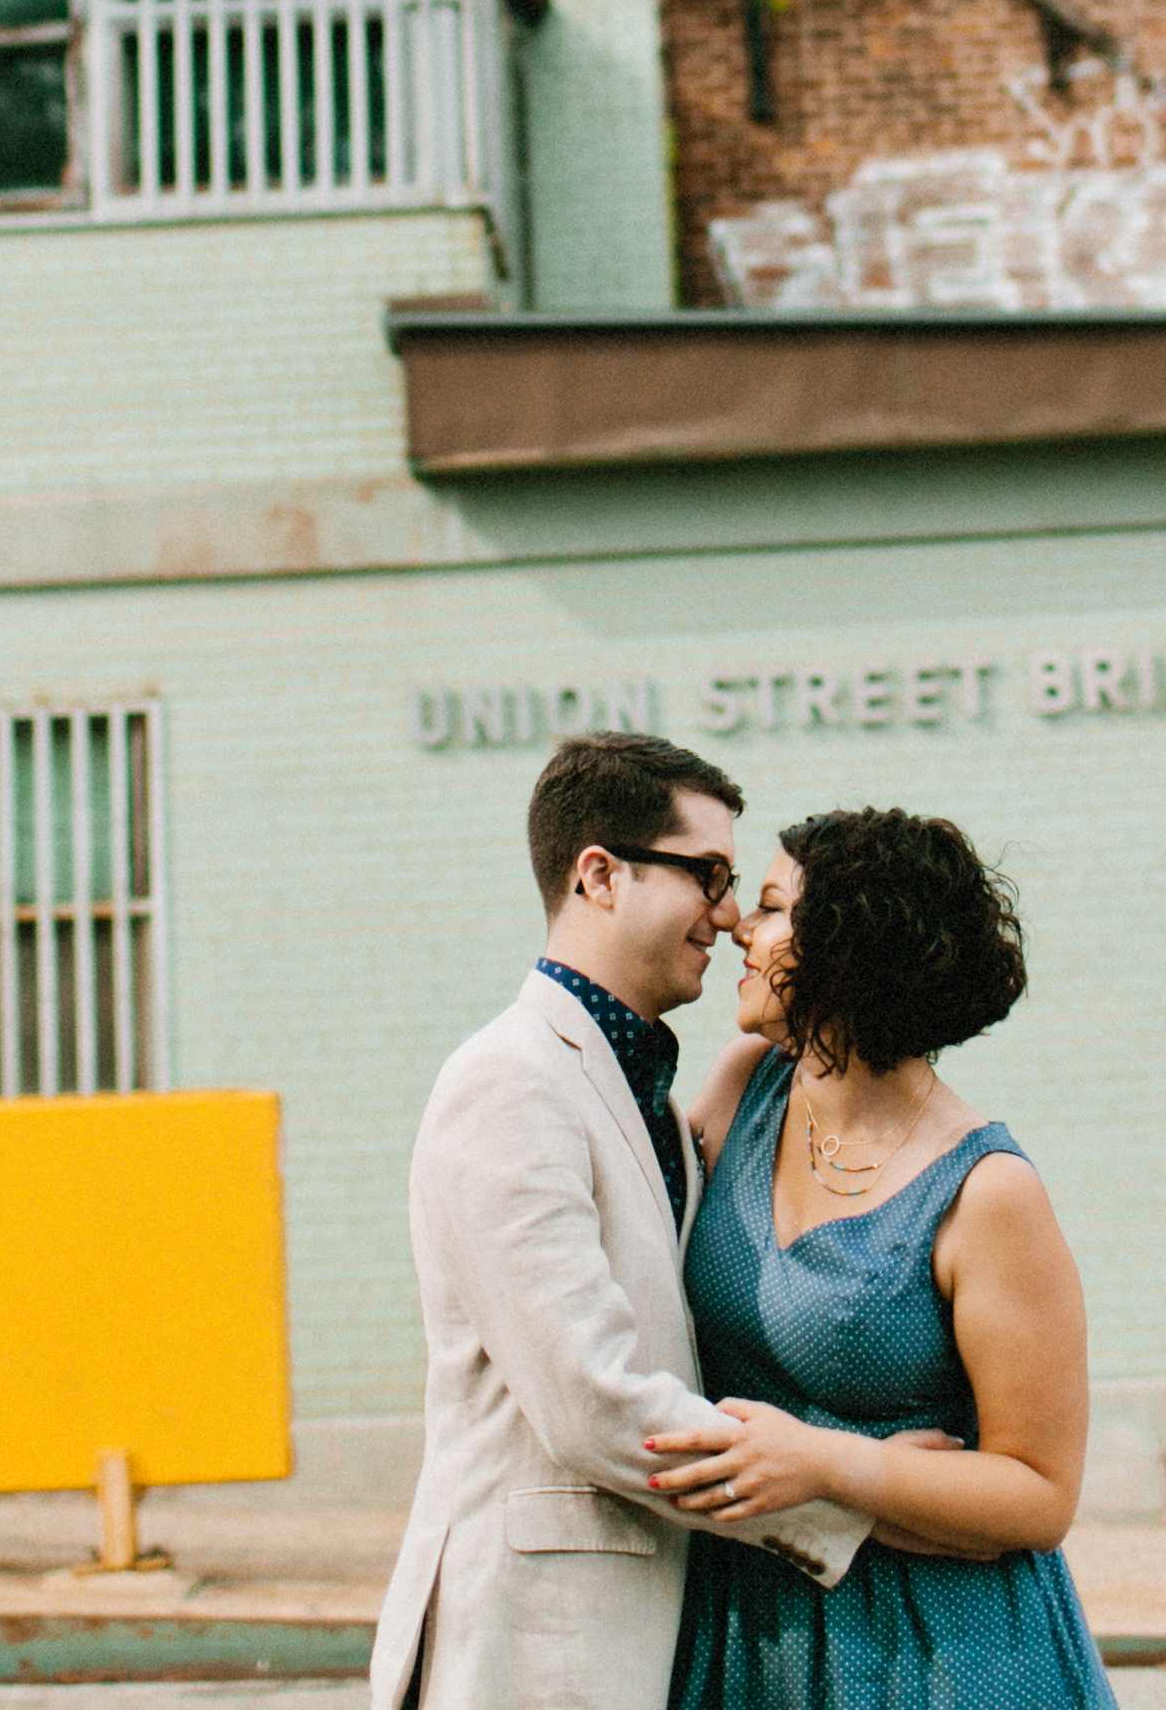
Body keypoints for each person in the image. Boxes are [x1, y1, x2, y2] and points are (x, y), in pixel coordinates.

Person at [368, 732, 871, 1710]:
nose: (729, 918)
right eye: (708, 876)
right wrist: (851, 1498)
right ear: (599, 874)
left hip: (638, 1637)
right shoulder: (508, 1081)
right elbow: (593, 1401)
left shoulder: (648, 1096)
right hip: (534, 1653)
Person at [646, 805, 1117, 1709]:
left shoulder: (986, 1193)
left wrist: (830, 1468)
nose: (743, 923)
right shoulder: (747, 1086)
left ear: (851, 952)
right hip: (751, 1631)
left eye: (777, 907)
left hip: (943, 1653)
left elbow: (1040, 1493)